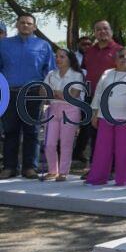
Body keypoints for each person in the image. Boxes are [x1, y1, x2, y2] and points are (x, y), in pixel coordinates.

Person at [0, 13, 56, 179]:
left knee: (31, 131)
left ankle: (30, 167)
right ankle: (9, 167)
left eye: (29, 23)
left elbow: (50, 71)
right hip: (9, 93)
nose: (25, 25)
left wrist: (47, 91)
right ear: (16, 25)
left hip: (33, 93)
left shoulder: (43, 46)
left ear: (34, 27)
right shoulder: (3, 45)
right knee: (10, 131)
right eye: (22, 23)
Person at [86, 47, 126, 186]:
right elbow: (98, 93)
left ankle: (122, 179)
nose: (125, 59)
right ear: (115, 60)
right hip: (105, 115)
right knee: (102, 149)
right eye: (121, 56)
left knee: (124, 150)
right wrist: (95, 112)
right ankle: (98, 178)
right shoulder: (107, 73)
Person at [74, 21, 122, 170]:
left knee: (113, 135)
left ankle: (112, 169)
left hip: (113, 98)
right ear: (94, 33)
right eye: (98, 29)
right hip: (91, 97)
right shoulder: (89, 52)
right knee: (93, 133)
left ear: (111, 31)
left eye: (105, 28)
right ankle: (96, 169)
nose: (102, 31)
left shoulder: (120, 51)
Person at [42, 49, 85, 181]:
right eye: (57, 57)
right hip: (52, 109)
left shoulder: (77, 75)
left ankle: (63, 172)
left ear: (70, 59)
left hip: (71, 110)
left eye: (62, 57)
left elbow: (73, 95)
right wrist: (60, 93)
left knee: (66, 143)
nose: (58, 59)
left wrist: (53, 92)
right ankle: (52, 170)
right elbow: (42, 92)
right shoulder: (51, 74)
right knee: (49, 143)